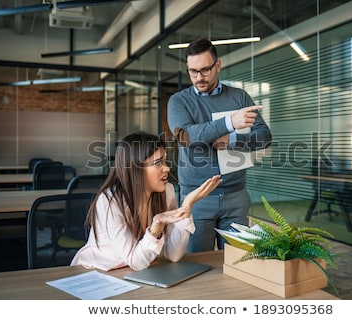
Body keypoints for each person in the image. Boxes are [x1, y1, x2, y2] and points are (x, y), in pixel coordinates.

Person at [167, 38, 272, 253]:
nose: (199, 77)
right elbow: (185, 135)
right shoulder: (179, 101)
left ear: (218, 65)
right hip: (196, 197)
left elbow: (264, 136)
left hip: (236, 196)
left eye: (205, 70)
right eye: (192, 71)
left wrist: (234, 140)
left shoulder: (239, 97)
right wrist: (229, 123)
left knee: (238, 262)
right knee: (197, 262)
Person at [70, 132, 222, 271]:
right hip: (96, 271)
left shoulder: (166, 192)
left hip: (132, 272)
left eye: (165, 161)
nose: (167, 168)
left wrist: (186, 206)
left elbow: (174, 255)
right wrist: (157, 225)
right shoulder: (110, 201)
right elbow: (136, 262)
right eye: (158, 163)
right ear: (136, 168)